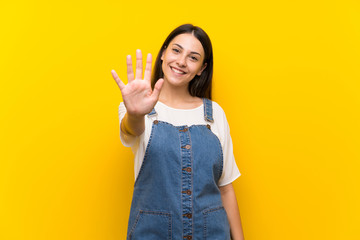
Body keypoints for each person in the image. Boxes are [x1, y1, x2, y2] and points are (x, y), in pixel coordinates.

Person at [111, 24, 245, 240]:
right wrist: (135, 113)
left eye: (193, 57)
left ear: (202, 68)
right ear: (163, 53)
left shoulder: (215, 114)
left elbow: (226, 189)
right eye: (176, 50)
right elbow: (130, 131)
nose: (181, 61)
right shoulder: (138, 110)